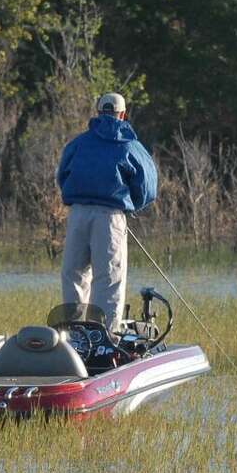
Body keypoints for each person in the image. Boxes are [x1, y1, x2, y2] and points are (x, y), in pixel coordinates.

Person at [56, 91, 157, 324]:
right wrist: (130, 205)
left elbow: (63, 176)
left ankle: (74, 333)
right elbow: (148, 186)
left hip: (78, 214)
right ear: (123, 114)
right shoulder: (131, 146)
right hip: (110, 217)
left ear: (98, 112)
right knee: (108, 278)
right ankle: (105, 337)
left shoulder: (79, 143)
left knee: (74, 274)